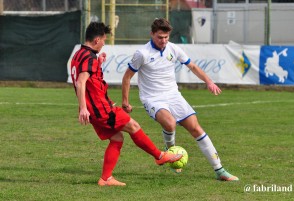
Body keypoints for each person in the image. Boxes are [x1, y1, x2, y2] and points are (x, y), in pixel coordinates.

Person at [122, 18, 239, 181]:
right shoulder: (142, 53)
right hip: (152, 98)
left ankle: (220, 171)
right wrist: (125, 101)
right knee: (170, 123)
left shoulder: (173, 49)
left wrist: (209, 82)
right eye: (160, 37)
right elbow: (127, 77)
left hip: (173, 95)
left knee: (196, 129)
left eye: (166, 37)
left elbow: (193, 66)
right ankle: (171, 155)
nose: (163, 41)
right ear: (152, 34)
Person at [70, 21, 183, 187]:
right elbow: (81, 82)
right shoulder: (89, 57)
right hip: (100, 108)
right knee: (134, 126)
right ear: (96, 40)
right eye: (103, 40)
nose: (103, 44)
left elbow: (85, 75)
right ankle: (160, 157)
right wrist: (83, 108)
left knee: (117, 138)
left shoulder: (79, 54)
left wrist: (98, 62)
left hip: (95, 109)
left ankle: (106, 179)